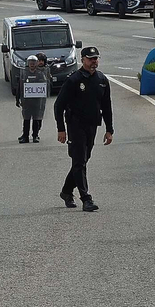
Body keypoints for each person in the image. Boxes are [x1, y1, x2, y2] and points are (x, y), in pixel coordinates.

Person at [54, 46, 114, 212]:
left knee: (83, 160)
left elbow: (107, 106)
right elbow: (59, 105)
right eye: (90, 59)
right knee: (79, 161)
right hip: (75, 125)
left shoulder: (102, 80)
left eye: (96, 58)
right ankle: (86, 198)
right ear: (83, 60)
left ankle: (66, 191)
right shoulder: (74, 80)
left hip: (92, 125)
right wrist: (61, 129)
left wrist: (109, 129)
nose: (94, 62)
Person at [18, 53, 49, 143]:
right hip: (26, 101)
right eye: (30, 62)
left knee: (36, 119)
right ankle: (25, 136)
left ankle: (35, 135)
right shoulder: (24, 73)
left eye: (34, 62)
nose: (32, 64)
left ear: (36, 63)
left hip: (37, 101)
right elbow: (20, 87)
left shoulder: (40, 74)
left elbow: (46, 86)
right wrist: (18, 99)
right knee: (26, 120)